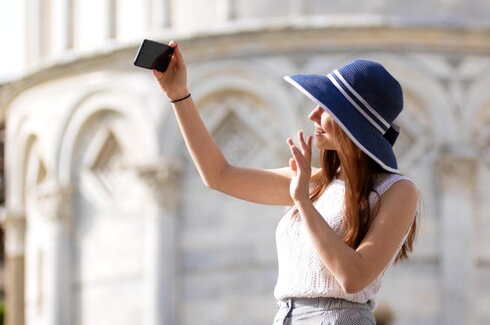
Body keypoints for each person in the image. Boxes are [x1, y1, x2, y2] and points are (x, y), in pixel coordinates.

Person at [152, 41, 419, 325]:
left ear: (352, 122)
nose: (312, 115)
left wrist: (303, 201)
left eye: (326, 108)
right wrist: (178, 95)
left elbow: (353, 277)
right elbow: (218, 175)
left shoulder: (397, 190)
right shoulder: (315, 181)